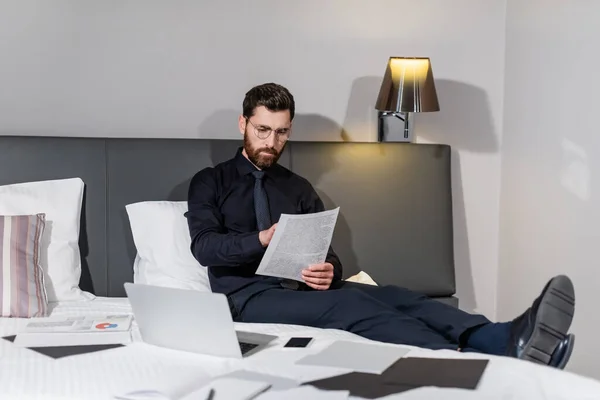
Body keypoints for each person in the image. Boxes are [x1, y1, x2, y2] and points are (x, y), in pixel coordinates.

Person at [185, 82, 576, 368]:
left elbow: (328, 255)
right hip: (246, 298)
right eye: (262, 130)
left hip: (303, 290)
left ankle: (504, 336)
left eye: (282, 132)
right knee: (351, 301)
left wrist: (328, 271)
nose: (272, 142)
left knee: (396, 295)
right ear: (243, 124)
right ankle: (468, 362)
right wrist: (262, 239)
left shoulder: (298, 188)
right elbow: (204, 248)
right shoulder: (210, 181)